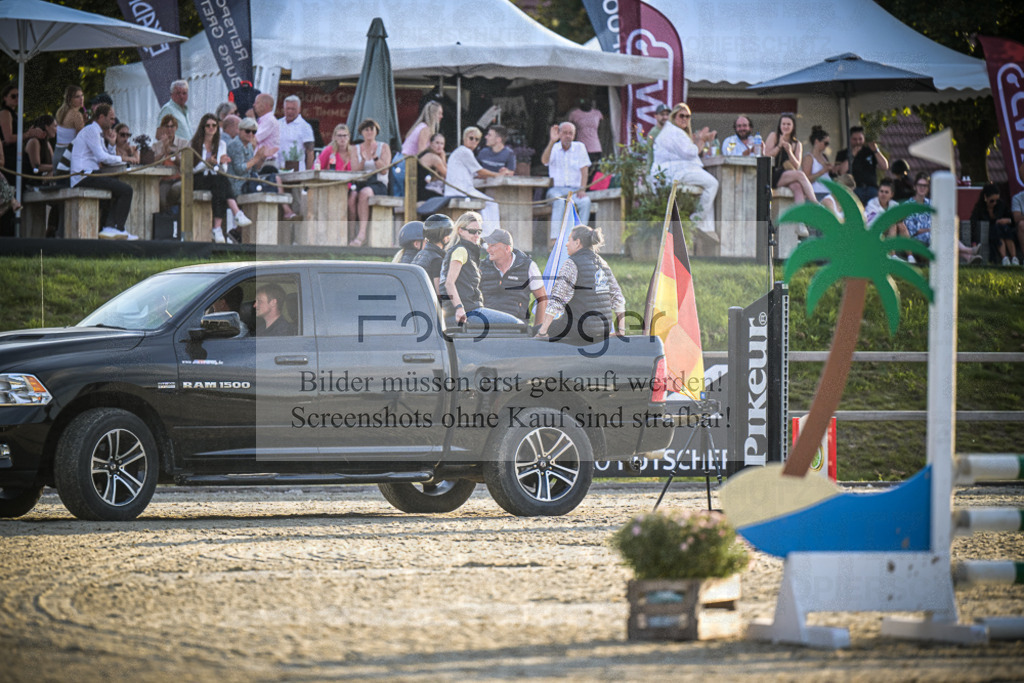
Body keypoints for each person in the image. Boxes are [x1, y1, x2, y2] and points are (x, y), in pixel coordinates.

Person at [536, 224, 625, 342]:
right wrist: (621, 330)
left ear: (577, 242)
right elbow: (618, 298)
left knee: (534, 330)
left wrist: (542, 332)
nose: (566, 244)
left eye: (569, 240)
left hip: (579, 330)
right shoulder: (603, 263)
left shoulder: (572, 263)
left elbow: (557, 299)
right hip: (603, 329)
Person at [439, 211, 522, 326]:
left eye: (479, 231)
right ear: (460, 231)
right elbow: (449, 283)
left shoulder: (466, 252)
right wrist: (459, 308)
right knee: (517, 324)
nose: (477, 235)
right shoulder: (461, 251)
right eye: (472, 231)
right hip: (468, 311)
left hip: (469, 308)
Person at [69, 103, 136, 240]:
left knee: (117, 185)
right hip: (83, 175)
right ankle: (115, 227)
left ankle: (110, 227)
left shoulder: (97, 133)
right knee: (126, 190)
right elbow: (101, 157)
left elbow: (105, 158)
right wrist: (124, 158)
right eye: (111, 118)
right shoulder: (91, 131)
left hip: (89, 174)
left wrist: (112, 145)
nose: (113, 122)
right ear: (101, 117)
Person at [649, 103, 718, 236]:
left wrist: (700, 140)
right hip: (671, 173)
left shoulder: (674, 131)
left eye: (687, 116)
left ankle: (706, 228)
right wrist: (701, 139)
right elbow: (691, 153)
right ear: (674, 117)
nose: (685, 119)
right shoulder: (673, 132)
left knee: (706, 187)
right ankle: (695, 222)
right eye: (681, 116)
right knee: (712, 184)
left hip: (671, 172)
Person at [188, 112, 253, 243]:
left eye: (214, 125)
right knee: (221, 182)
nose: (211, 128)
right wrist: (206, 162)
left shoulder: (221, 144)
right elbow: (192, 169)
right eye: (208, 126)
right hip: (198, 178)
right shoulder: (194, 144)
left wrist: (222, 163)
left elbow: (223, 170)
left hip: (215, 178)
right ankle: (235, 214)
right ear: (203, 128)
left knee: (220, 184)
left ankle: (218, 228)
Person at [444, 126, 506, 233]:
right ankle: (491, 237)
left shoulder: (462, 152)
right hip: (460, 191)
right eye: (471, 138)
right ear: (464, 139)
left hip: (460, 190)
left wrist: (491, 174)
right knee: (491, 204)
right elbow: (480, 171)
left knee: (487, 203)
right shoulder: (464, 151)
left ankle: (487, 235)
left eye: (477, 139)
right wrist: (498, 174)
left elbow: (476, 174)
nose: (474, 141)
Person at [480, 228, 547, 324]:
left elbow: (542, 299)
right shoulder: (481, 267)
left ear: (507, 249)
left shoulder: (528, 266)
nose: (488, 249)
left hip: (518, 328)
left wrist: (538, 330)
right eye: (488, 245)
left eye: (493, 246)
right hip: (487, 327)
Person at [543, 121, 592, 246]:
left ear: (574, 135)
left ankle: (582, 239)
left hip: (575, 190)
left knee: (585, 202)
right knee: (559, 201)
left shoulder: (580, 147)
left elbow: (584, 170)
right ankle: (554, 241)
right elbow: (544, 160)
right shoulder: (554, 147)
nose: (568, 136)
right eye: (564, 133)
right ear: (559, 134)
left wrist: (582, 188)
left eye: (571, 133)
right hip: (556, 190)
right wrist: (551, 141)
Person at [348, 118, 391, 247]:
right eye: (366, 129)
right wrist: (363, 160)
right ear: (361, 132)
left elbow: (384, 171)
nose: (369, 132)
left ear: (376, 131)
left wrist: (375, 158)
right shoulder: (356, 148)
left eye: (371, 129)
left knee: (364, 194)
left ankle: (362, 235)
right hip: (360, 182)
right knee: (352, 198)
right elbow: (354, 170)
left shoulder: (383, 147)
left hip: (378, 183)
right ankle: (350, 234)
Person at [763, 113, 818, 206]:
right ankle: (815, 202)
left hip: (788, 174)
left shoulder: (797, 144)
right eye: (783, 124)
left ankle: (800, 217)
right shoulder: (774, 136)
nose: (785, 126)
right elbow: (767, 156)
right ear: (779, 125)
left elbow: (797, 165)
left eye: (788, 124)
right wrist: (779, 146)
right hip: (772, 174)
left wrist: (789, 152)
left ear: (793, 126)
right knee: (800, 175)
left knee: (797, 187)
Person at [835, 125, 888, 204]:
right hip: (855, 189)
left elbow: (885, 166)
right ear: (849, 139)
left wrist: (876, 150)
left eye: (860, 139)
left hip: (871, 188)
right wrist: (852, 155)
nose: (858, 142)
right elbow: (841, 171)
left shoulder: (869, 151)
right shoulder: (842, 153)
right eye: (855, 139)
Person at [970, 184, 1017, 266]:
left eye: (997, 200)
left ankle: (1014, 258)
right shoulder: (980, 208)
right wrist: (974, 241)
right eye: (992, 201)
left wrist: (1007, 220)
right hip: (991, 233)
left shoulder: (1001, 205)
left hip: (1004, 230)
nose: (995, 203)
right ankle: (1004, 258)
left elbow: (1012, 219)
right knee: (997, 231)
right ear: (985, 197)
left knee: (1005, 230)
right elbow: (973, 223)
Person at [226, 117, 271, 195]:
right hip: (236, 185)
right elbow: (239, 169)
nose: (250, 134)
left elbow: (254, 169)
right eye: (247, 131)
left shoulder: (249, 145)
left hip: (247, 183)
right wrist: (255, 158)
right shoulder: (236, 144)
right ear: (239, 130)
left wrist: (262, 158)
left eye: (254, 132)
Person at [801, 125, 839, 216]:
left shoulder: (824, 157)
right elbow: (806, 179)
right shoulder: (809, 157)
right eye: (825, 143)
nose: (827, 146)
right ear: (817, 142)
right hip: (816, 193)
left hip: (828, 192)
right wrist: (823, 171)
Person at [411, 212, 453, 294]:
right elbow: (440, 294)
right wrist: (453, 300)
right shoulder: (437, 260)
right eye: (449, 235)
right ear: (444, 238)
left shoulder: (420, 254)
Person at [276, 95, 315, 171]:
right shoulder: (278, 124)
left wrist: (307, 172)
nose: (290, 111)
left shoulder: (305, 127)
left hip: (297, 170)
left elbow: (310, 152)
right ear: (284, 109)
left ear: (299, 109)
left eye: (293, 109)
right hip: (278, 168)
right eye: (288, 109)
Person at [568, 99, 604, 168]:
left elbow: (600, 129)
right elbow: (570, 129)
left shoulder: (597, 113)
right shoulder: (574, 114)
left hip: (595, 147)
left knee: (595, 171)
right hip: (580, 147)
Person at [55, 85, 86, 161]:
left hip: (57, 152)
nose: (81, 99)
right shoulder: (77, 115)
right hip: (68, 155)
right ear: (70, 99)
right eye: (77, 97)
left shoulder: (61, 112)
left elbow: (67, 132)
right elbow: (81, 139)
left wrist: (83, 122)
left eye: (82, 95)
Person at [23, 115, 56, 183]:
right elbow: (36, 167)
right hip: (32, 182)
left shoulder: (47, 143)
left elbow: (53, 163)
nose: (57, 129)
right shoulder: (34, 142)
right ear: (47, 127)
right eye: (55, 126)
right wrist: (55, 167)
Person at [416, 132, 446, 201]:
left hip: (420, 190)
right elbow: (447, 175)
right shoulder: (433, 157)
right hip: (422, 192)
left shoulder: (426, 153)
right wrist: (443, 157)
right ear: (431, 143)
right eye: (437, 143)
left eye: (442, 144)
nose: (439, 146)